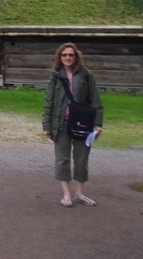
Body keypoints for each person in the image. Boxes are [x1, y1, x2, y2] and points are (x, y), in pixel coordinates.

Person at [42, 42, 104, 207]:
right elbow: (49, 102)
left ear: (76, 57)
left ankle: (80, 193)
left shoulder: (85, 75)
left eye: (71, 55)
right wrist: (46, 126)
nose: (67, 58)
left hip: (82, 124)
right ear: (60, 57)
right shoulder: (55, 77)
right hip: (61, 124)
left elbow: (96, 100)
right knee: (62, 159)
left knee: (81, 158)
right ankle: (66, 194)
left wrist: (97, 124)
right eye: (64, 55)